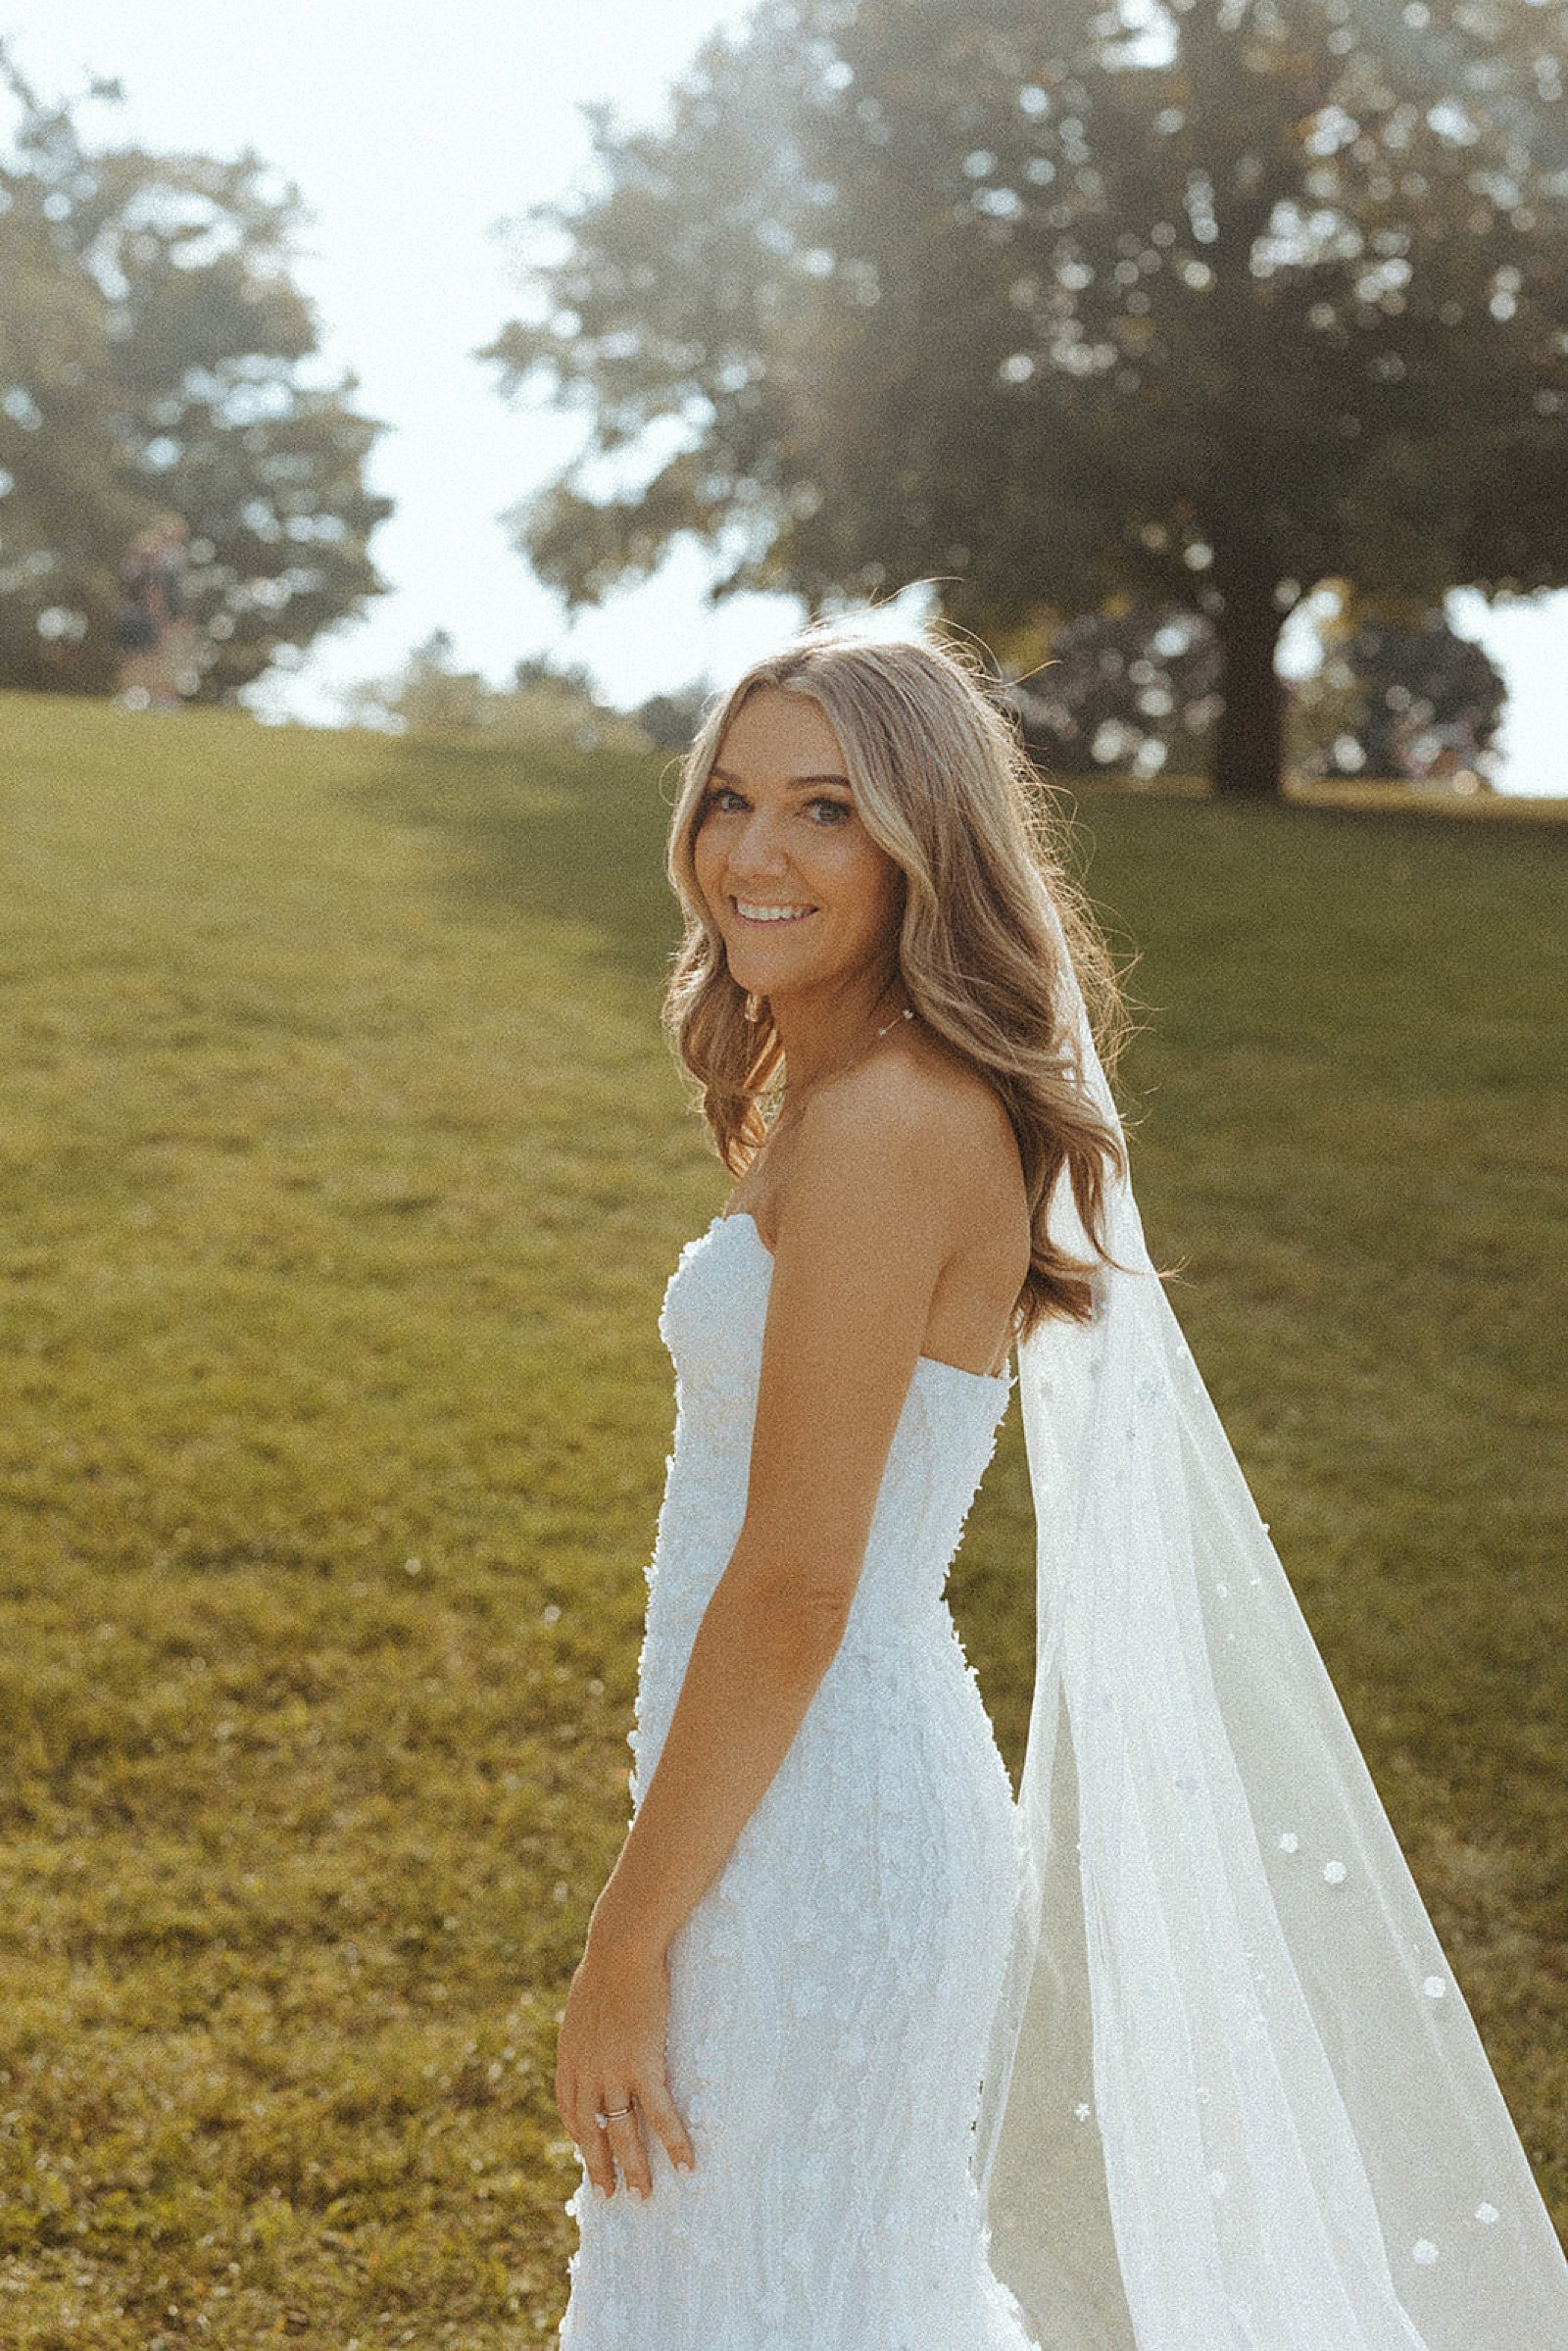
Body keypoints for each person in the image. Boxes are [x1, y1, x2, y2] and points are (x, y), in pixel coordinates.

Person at [553, 620, 1568, 2349]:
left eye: (827, 810)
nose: (756, 854)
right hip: (794, 1802)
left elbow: (800, 1589)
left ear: (924, 842)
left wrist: (623, 1948)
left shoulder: (887, 1124)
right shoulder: (853, 1098)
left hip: (809, 1829)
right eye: (731, 799)